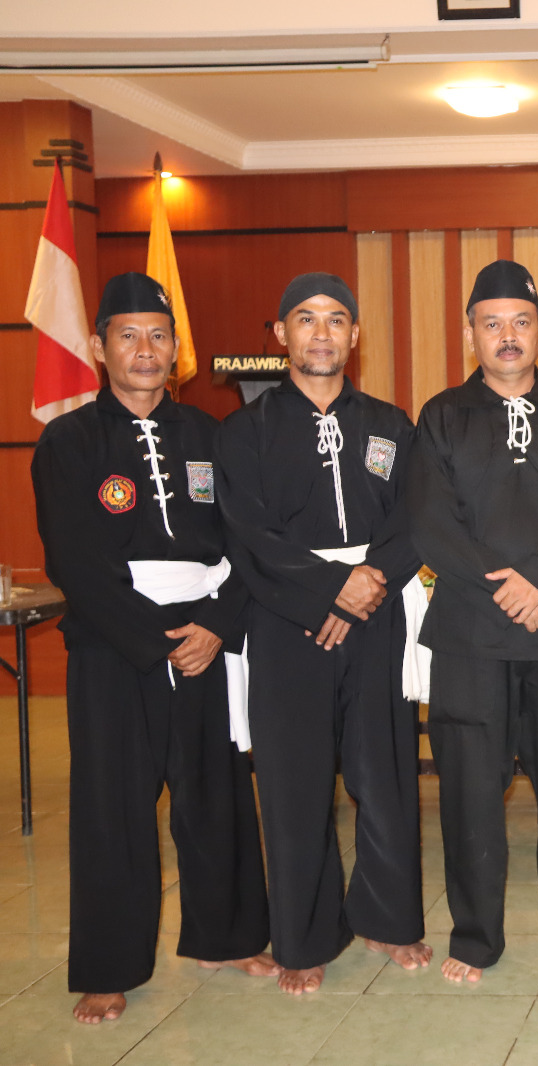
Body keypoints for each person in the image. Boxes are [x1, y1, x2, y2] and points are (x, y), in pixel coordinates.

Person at [32, 273, 277, 1024]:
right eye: (129, 336)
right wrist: (152, 639)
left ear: (177, 351)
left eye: (159, 336)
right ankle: (109, 965)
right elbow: (72, 560)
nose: (145, 350)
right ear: (101, 346)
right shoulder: (69, 441)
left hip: (206, 634)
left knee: (218, 794)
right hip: (116, 647)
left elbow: (248, 543)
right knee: (114, 807)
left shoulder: (212, 436)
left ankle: (226, 936)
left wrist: (214, 623)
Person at [216, 272, 431, 994]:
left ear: (354, 335)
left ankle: (390, 918)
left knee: (386, 775)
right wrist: (327, 591)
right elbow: (248, 532)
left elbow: (414, 519)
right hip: (286, 622)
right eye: (305, 319)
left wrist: (368, 582)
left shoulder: (391, 424)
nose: (321, 333)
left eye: (336, 319)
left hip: (376, 614)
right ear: (280, 335)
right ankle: (304, 936)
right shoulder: (245, 431)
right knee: (294, 782)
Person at [408, 260, 538, 983]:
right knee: (471, 793)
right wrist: (503, 587)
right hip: (471, 631)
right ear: (471, 331)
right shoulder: (441, 417)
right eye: (492, 323)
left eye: (520, 322)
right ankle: (475, 938)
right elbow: (430, 519)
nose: (507, 337)